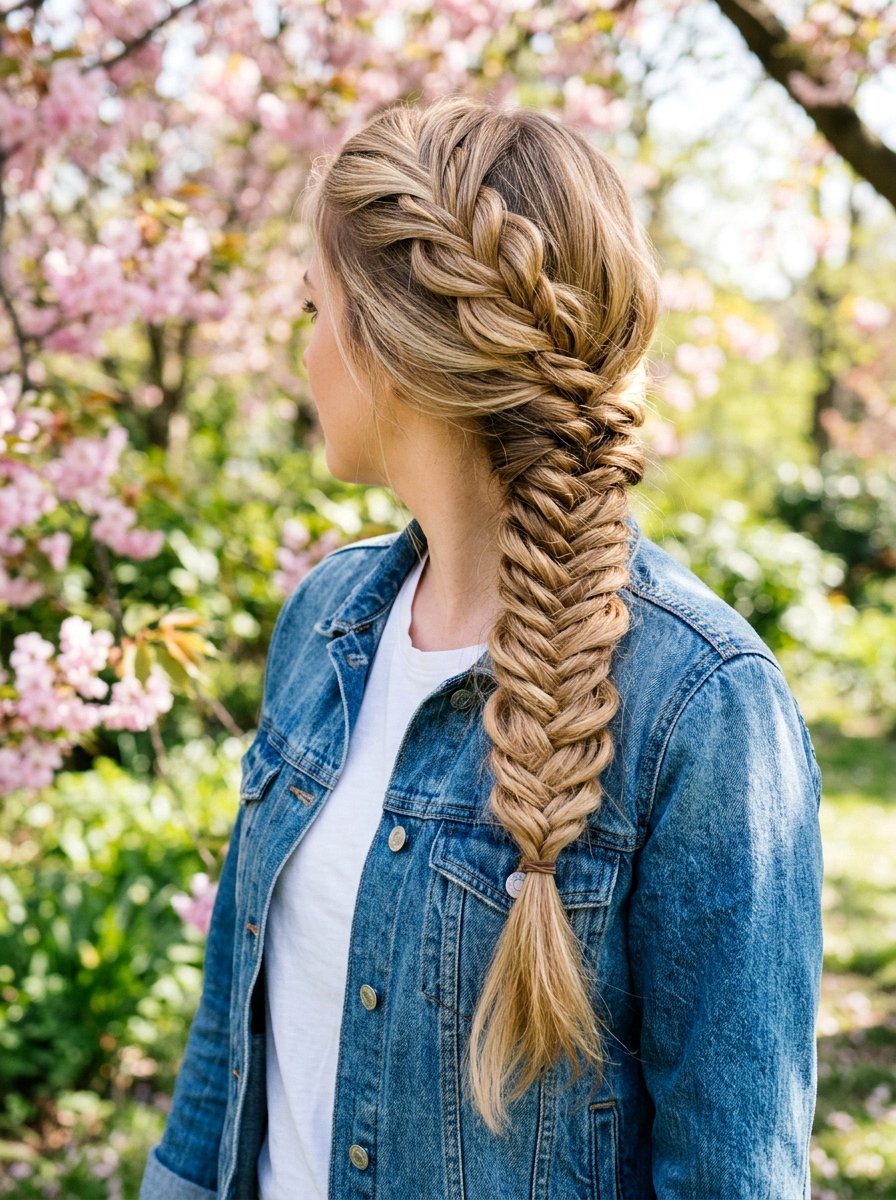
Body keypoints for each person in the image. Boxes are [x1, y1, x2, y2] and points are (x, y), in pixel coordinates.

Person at [138, 94, 824, 1200]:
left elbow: (732, 1171)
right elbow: (231, 1036)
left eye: (314, 309)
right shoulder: (322, 624)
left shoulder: (698, 705)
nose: (302, 352)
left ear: (389, 348)